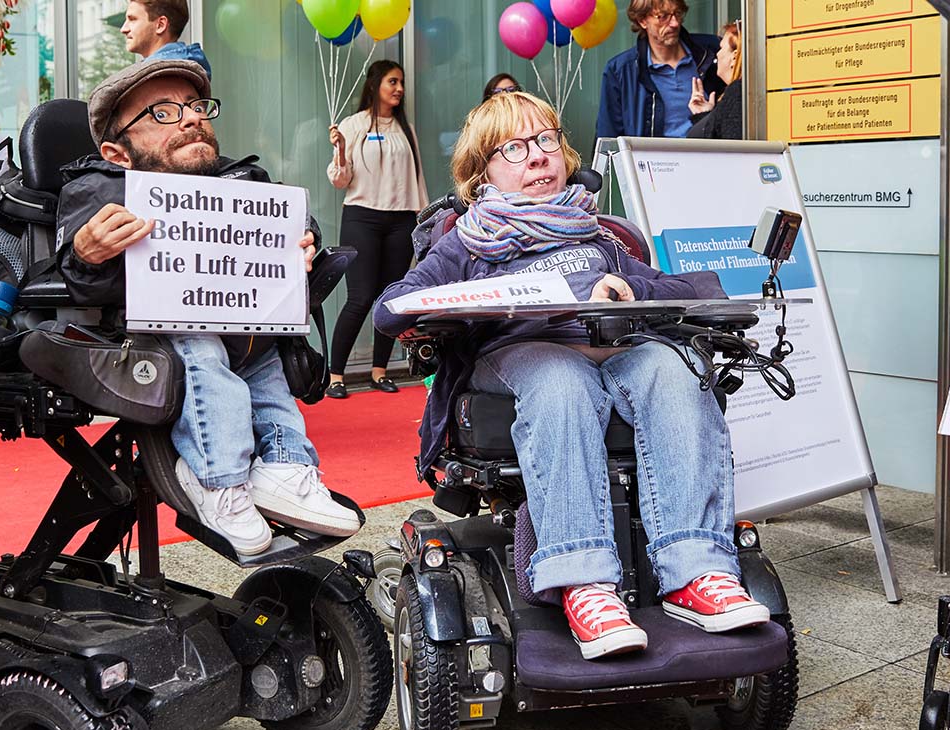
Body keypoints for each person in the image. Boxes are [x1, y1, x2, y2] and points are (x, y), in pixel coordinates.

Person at [374, 91, 769, 661]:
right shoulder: (466, 241)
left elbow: (682, 288)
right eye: (514, 148)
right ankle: (584, 582)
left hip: (617, 352)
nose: (537, 155)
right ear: (481, 174)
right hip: (521, 356)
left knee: (674, 368)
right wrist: (477, 300)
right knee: (562, 380)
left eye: (545, 140)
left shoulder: (599, 236)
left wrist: (632, 287)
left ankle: (697, 571)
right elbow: (391, 309)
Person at [55, 57, 361, 555]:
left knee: (268, 354)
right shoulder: (98, 191)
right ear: (117, 152)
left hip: (250, 336)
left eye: (196, 106)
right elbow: (77, 283)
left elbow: (298, 224)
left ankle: (286, 467)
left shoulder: (246, 180)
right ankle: (219, 480)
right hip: (154, 342)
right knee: (199, 340)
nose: (192, 118)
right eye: (163, 113)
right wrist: (86, 255)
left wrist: (300, 243)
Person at [325, 60, 428, 399]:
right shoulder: (353, 125)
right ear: (374, 85)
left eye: (401, 83)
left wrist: (424, 219)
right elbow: (340, 180)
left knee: (389, 297)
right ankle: (335, 375)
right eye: (392, 82)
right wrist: (341, 150)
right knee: (360, 297)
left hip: (401, 220)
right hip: (362, 217)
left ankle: (379, 371)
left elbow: (417, 180)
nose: (399, 89)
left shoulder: (406, 129)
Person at [595, 0, 722, 139]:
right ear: (642, 21)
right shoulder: (621, 71)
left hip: (709, 151)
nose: (674, 23)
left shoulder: (713, 52)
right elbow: (608, 140)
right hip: (649, 153)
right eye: (663, 16)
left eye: (677, 13)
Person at [121, 0, 211, 77]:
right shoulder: (181, 70)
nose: (123, 29)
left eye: (132, 19)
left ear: (161, 25)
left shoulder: (161, 77)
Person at [687, 21, 742, 140]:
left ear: (734, 57)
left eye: (721, 48)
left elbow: (729, 146)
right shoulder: (740, 93)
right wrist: (705, 115)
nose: (717, 54)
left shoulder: (737, 93)